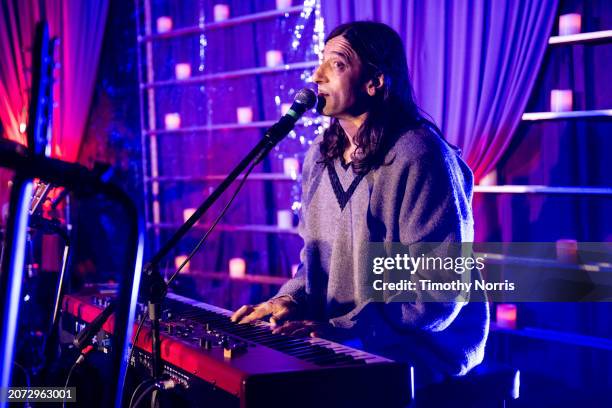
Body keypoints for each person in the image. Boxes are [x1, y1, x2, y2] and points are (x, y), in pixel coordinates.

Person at [231, 21, 488, 386]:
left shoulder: (420, 155)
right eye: (320, 61)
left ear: (375, 81)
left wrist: (347, 328)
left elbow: (439, 293)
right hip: (343, 340)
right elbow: (316, 265)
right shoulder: (319, 157)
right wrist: (289, 301)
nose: (317, 76)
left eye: (335, 64)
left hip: (419, 353)